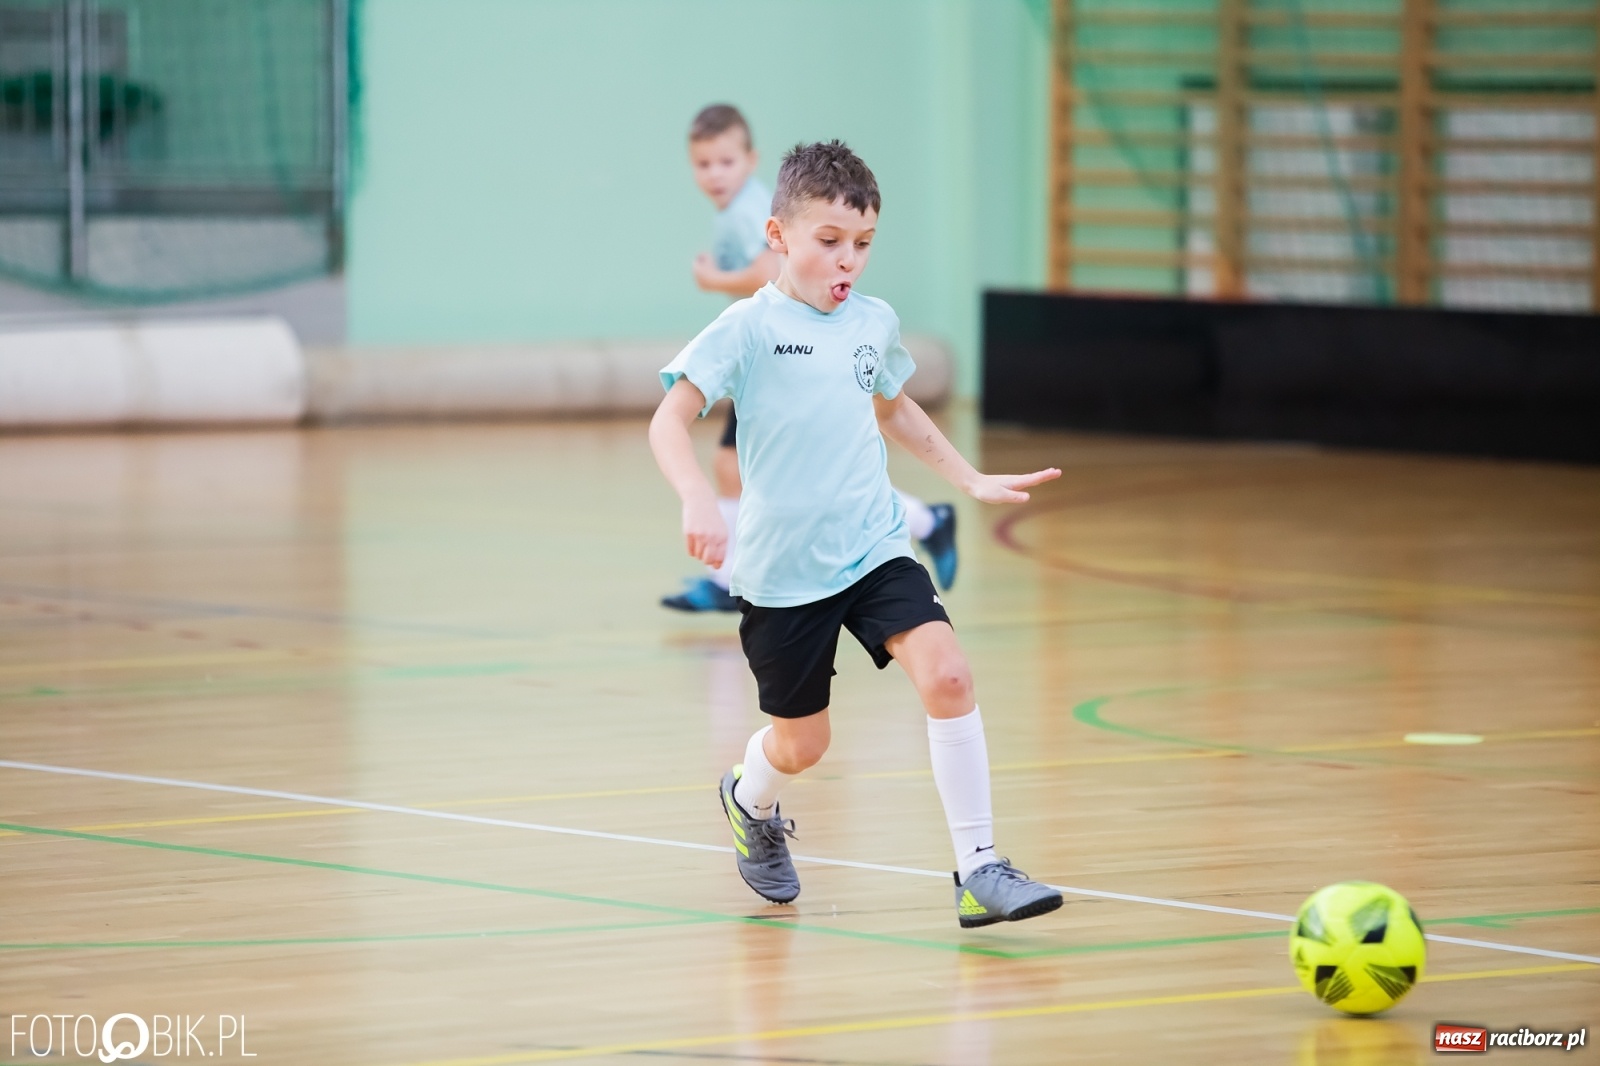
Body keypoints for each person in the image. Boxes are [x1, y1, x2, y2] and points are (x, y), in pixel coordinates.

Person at [648, 140, 1064, 927]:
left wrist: (968, 478)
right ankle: (748, 798)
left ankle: (978, 868)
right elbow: (669, 418)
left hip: (873, 547)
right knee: (803, 745)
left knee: (947, 675)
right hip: (780, 573)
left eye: (864, 245)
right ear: (779, 235)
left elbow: (894, 406)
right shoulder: (746, 328)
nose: (849, 262)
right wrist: (697, 496)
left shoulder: (872, 322)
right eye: (829, 242)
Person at [661, 106, 958, 614]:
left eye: (726, 162)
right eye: (704, 164)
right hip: (767, 354)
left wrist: (712, 279)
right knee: (739, 465)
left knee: (809, 469)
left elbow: (764, 275)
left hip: (785, 354)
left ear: (750, 161)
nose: (715, 175)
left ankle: (924, 521)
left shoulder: (755, 215)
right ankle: (731, 573)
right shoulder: (738, 234)